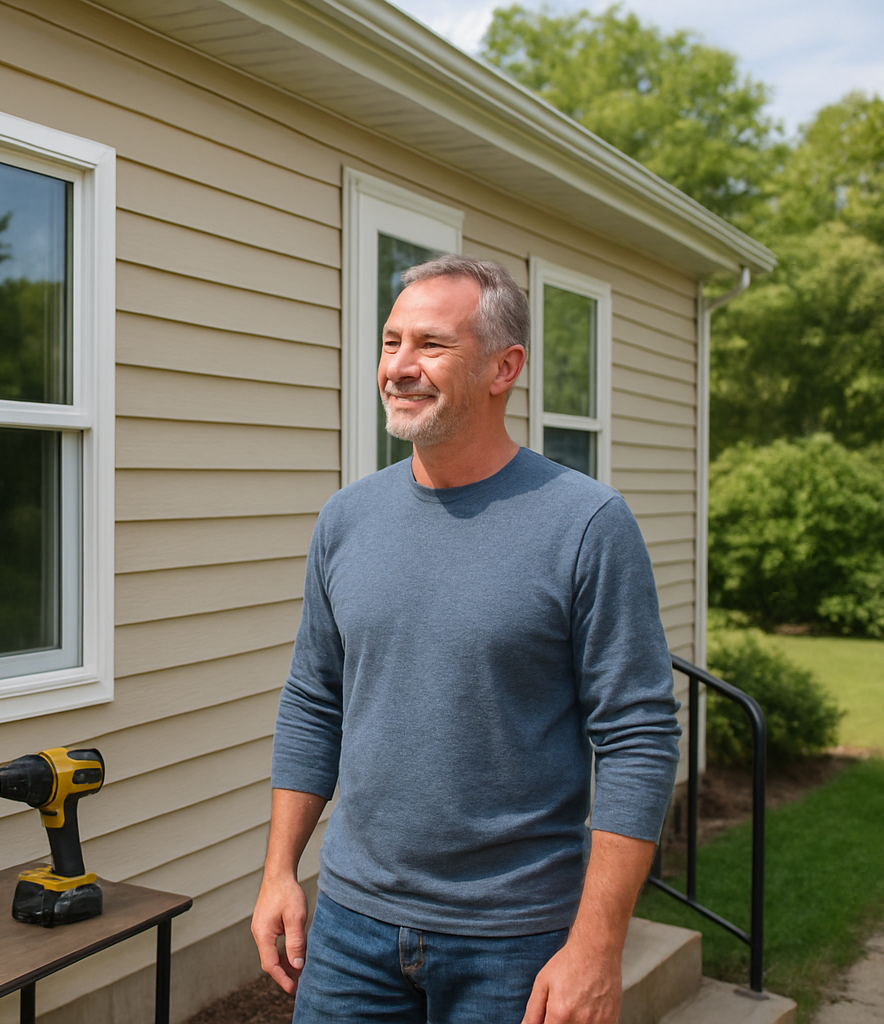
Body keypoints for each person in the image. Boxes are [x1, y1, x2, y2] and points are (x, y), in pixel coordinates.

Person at [251, 254, 682, 1024]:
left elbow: (638, 739)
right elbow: (314, 699)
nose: (400, 367)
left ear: (503, 367)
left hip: (517, 941)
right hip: (352, 928)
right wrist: (279, 870)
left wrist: (598, 943)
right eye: (391, 342)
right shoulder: (346, 520)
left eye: (432, 345)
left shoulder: (585, 524)